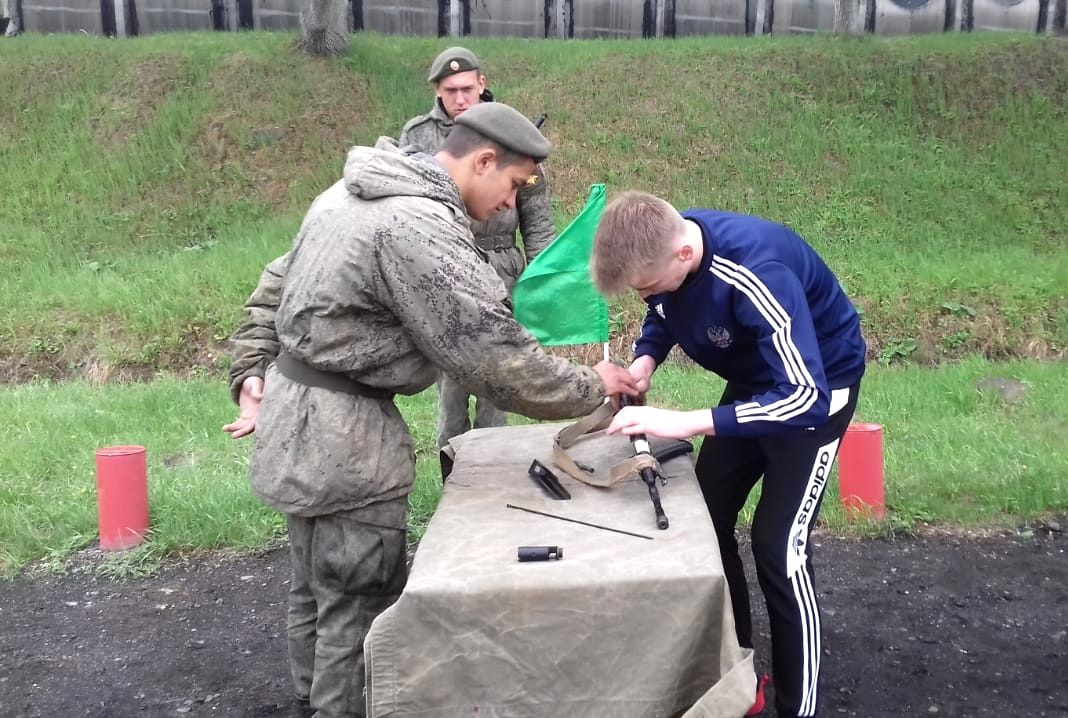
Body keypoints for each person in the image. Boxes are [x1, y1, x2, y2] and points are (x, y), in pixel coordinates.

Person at [228, 103, 638, 718]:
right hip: (347, 442)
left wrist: (250, 369)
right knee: (359, 602)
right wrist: (592, 386)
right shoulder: (417, 226)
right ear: (483, 161)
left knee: (314, 587)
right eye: (514, 185)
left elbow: (272, 288)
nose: (510, 204)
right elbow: (493, 358)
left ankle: (309, 697)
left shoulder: (348, 193)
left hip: (295, 416)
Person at [592, 191, 866, 718]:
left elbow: (802, 396)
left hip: (815, 392)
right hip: (756, 380)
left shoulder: (758, 272)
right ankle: (738, 675)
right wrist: (645, 360)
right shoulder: (666, 252)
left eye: (647, 285)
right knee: (706, 520)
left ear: (684, 255)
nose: (645, 296)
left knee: (779, 548)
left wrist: (688, 421)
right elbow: (666, 310)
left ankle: (799, 707)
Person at [401, 46, 557, 450]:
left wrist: (542, 280)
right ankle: (453, 467)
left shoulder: (510, 132)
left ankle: (491, 463)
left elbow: (537, 218)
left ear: (481, 84)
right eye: (450, 90)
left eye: (467, 88)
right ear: (437, 90)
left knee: (499, 378)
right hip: (446, 264)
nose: (460, 98)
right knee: (451, 383)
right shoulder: (418, 137)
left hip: (502, 267)